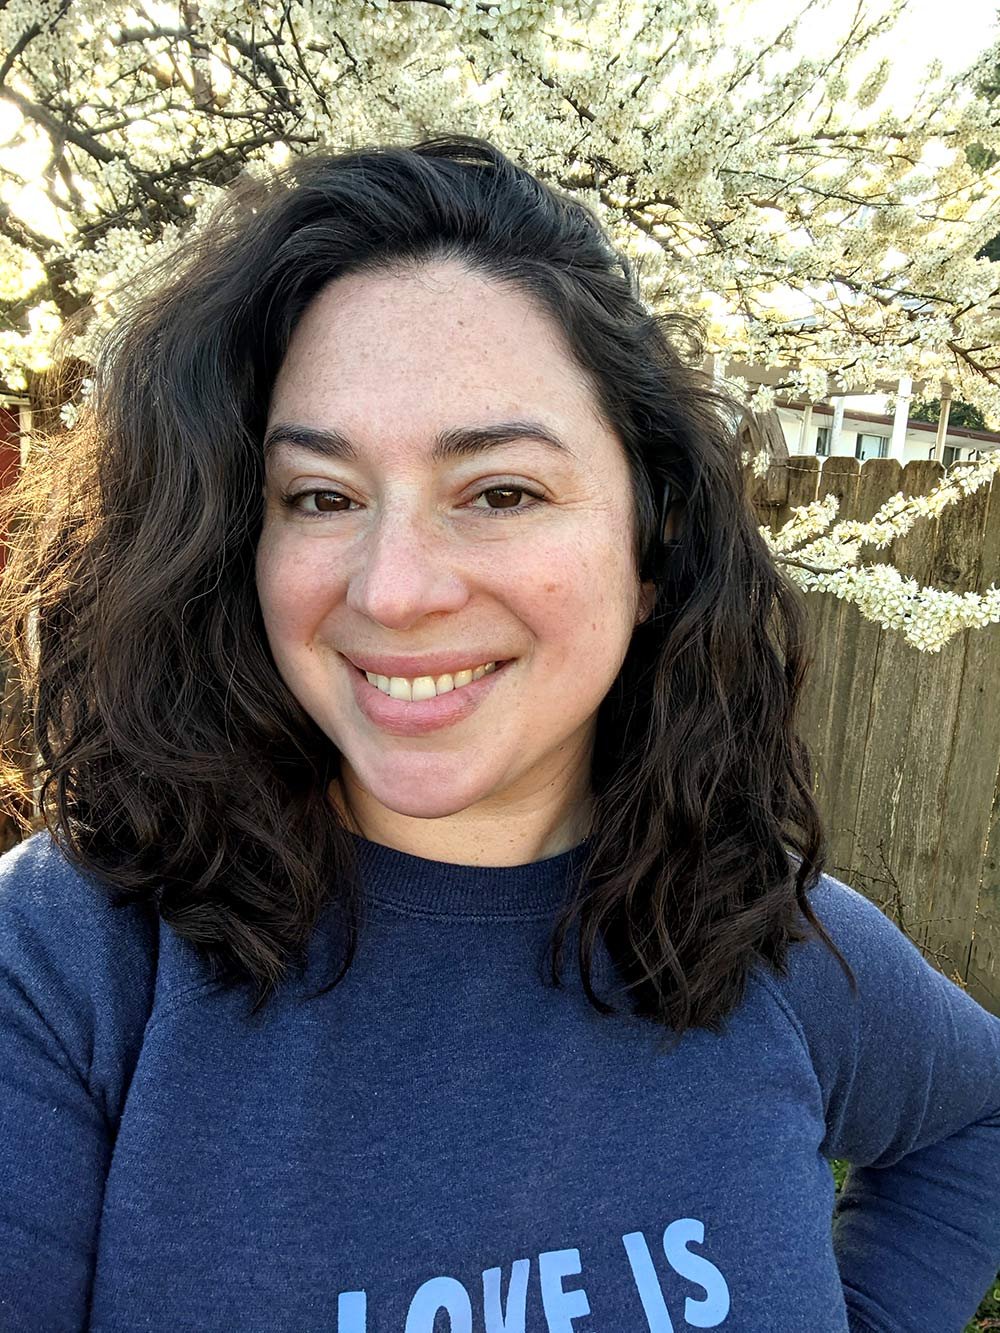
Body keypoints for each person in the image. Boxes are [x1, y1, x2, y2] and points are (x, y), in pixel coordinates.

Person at [0, 133, 997, 1333]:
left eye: (501, 492)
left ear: (652, 538)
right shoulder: (68, 966)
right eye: (321, 496)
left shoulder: (775, 936)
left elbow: (973, 1118)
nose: (394, 590)